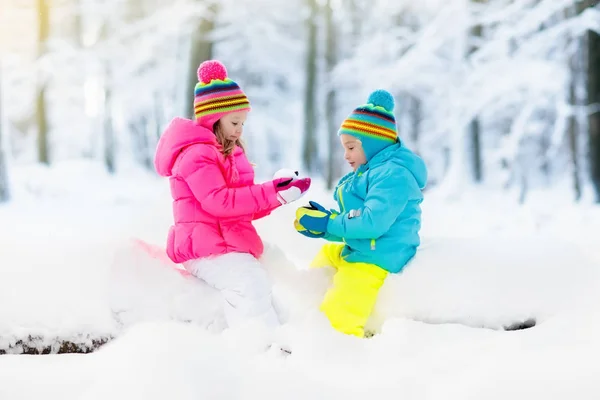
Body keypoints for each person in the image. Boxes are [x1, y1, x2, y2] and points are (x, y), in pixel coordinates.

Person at [154, 60, 311, 330]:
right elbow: (220, 202)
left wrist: (279, 193)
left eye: (243, 123)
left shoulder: (226, 153)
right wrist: (271, 193)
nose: (240, 129)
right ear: (214, 119)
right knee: (248, 282)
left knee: (262, 288)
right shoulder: (197, 154)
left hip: (223, 242)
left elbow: (241, 205)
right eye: (235, 122)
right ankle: (257, 348)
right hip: (203, 247)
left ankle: (284, 342)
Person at [294, 89, 427, 338]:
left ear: (373, 144)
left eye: (351, 147)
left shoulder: (392, 175)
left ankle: (336, 339)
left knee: (341, 310)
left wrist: (330, 224)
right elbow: (357, 220)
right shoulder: (372, 172)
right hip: (368, 247)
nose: (346, 155)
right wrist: (325, 225)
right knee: (328, 255)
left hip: (381, 255)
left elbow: (371, 223)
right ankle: (303, 308)